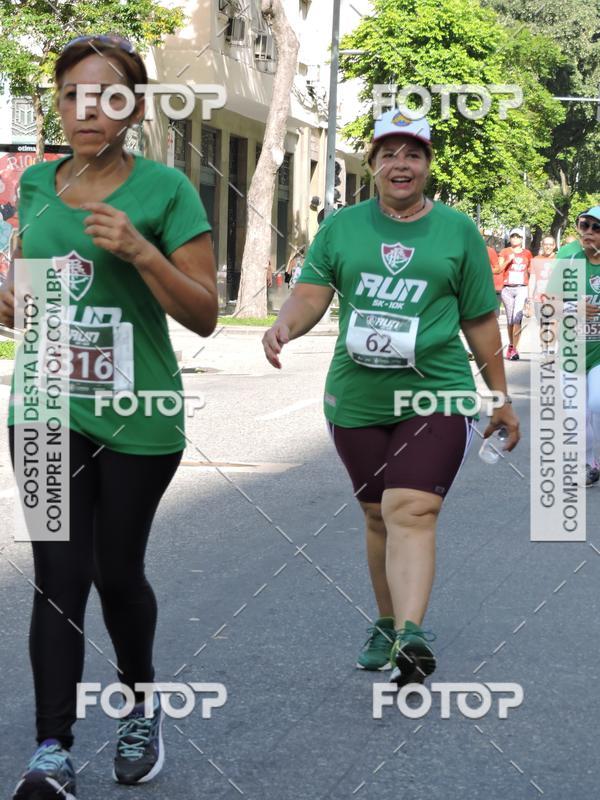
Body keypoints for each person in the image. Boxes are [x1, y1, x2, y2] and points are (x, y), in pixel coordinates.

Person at [0, 34, 218, 799]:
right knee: (58, 576)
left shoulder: (167, 192)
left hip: (138, 412)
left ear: (134, 108)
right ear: (56, 105)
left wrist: (141, 253)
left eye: (106, 96)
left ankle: (140, 705)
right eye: (73, 95)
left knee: (115, 572)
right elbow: (31, 296)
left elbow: (205, 314)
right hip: (43, 407)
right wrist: (10, 301)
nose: (87, 110)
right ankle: (51, 752)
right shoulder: (36, 184)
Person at [262, 109, 520, 686]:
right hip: (357, 396)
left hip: (436, 392)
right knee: (377, 512)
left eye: (413, 154)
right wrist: (284, 325)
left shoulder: (457, 231)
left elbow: (480, 320)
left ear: (428, 165)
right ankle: (385, 622)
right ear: (373, 164)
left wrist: (498, 395)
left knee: (412, 508)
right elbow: (312, 293)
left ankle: (410, 634)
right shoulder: (342, 227)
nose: (401, 164)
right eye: (389, 154)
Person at [547, 206, 600, 486]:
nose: (588, 232)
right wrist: (573, 308)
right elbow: (549, 304)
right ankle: (587, 463)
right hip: (571, 351)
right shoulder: (568, 257)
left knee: (597, 403)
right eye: (584, 225)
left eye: (596, 227)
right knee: (576, 414)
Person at [498, 230, 533, 360]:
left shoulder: (527, 253)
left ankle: (515, 349)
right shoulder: (505, 251)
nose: (515, 238)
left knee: (517, 318)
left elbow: (531, 270)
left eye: (518, 237)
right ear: (509, 238)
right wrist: (508, 261)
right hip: (507, 288)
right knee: (510, 320)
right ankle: (511, 345)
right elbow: (499, 269)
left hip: (521, 288)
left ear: (522, 239)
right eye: (513, 236)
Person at [527, 235, 557, 353]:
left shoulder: (559, 259)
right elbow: (532, 279)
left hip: (554, 297)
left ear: (554, 246)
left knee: (553, 322)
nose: (548, 247)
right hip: (539, 297)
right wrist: (529, 298)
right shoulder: (536, 260)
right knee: (543, 324)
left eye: (550, 244)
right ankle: (544, 348)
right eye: (546, 244)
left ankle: (552, 348)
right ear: (542, 245)